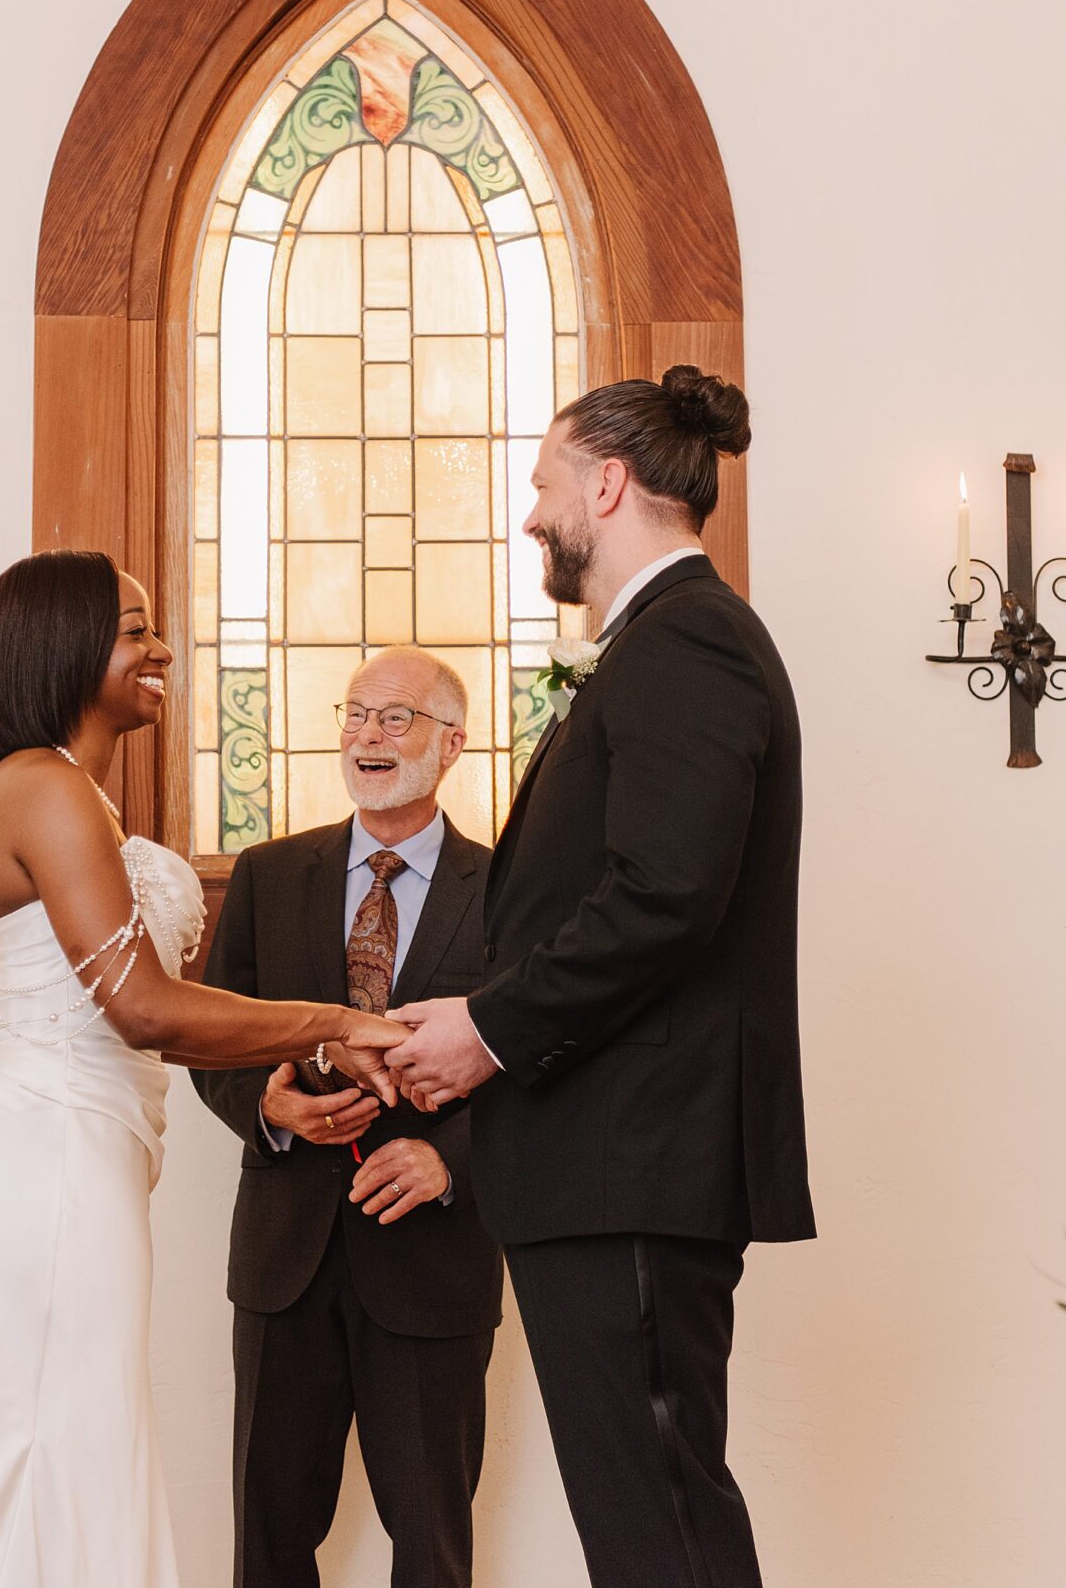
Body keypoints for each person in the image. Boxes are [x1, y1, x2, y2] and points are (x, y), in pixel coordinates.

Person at [0, 551, 403, 1588]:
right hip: (47, 1156)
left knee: (66, 1428)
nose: (161, 649)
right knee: (52, 1435)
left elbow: (165, 1008)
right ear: (64, 643)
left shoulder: (78, 799)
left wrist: (283, 1069)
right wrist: (334, 1022)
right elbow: (146, 1005)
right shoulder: (40, 785)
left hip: (77, 1151)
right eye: (133, 628)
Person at [386, 367, 815, 1588]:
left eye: (543, 484)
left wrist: (491, 1028)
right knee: (646, 1523)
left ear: (608, 482)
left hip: (634, 1159)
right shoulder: (666, 643)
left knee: (658, 1524)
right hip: (611, 1158)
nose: (533, 514)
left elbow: (665, 892)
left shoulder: (692, 643)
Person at [192, 646, 502, 1588]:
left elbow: (551, 1070)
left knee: (433, 1543)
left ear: (452, 744)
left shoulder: (510, 892)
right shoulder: (268, 872)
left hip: (432, 1261)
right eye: (356, 713)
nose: (367, 734)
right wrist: (270, 1107)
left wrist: (456, 1166)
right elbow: (213, 1038)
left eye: (395, 717)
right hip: (283, 1259)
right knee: (269, 1538)